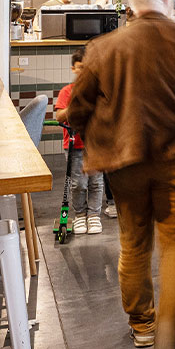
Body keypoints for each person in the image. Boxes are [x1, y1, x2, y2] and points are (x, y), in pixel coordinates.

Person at [63, 0, 175, 349]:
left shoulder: (103, 47)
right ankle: (168, 333)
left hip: (123, 163)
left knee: (133, 242)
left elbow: (78, 108)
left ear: (129, 3)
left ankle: (142, 324)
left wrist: (91, 127)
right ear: (167, 0)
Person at [53, 47, 105, 235]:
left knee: (96, 182)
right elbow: (59, 117)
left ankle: (94, 216)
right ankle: (80, 215)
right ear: (73, 69)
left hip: (96, 144)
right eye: (80, 68)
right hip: (74, 145)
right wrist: (75, 105)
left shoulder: (99, 92)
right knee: (78, 183)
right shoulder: (67, 92)